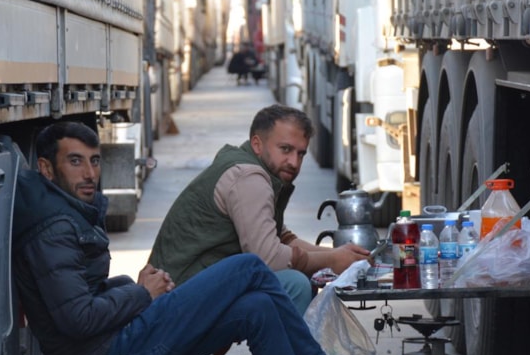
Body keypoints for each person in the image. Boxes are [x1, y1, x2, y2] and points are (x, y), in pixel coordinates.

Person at [11, 121, 398, 355]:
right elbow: (78, 319)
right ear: (46, 168)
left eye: (94, 161)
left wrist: (130, 289)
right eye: (75, 162)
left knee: (259, 308)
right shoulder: (54, 230)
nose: (89, 173)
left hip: (116, 335)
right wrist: (140, 293)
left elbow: (83, 297)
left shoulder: (64, 211)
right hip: (110, 350)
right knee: (249, 267)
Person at [148, 104, 371, 316]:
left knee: (300, 274)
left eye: (301, 154)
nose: (294, 162)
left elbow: (282, 238)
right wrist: (331, 260)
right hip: (177, 301)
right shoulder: (249, 178)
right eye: (285, 149)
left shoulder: (250, 167)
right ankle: (290, 347)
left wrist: (344, 256)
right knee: (295, 284)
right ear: (257, 144)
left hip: (194, 288)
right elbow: (269, 258)